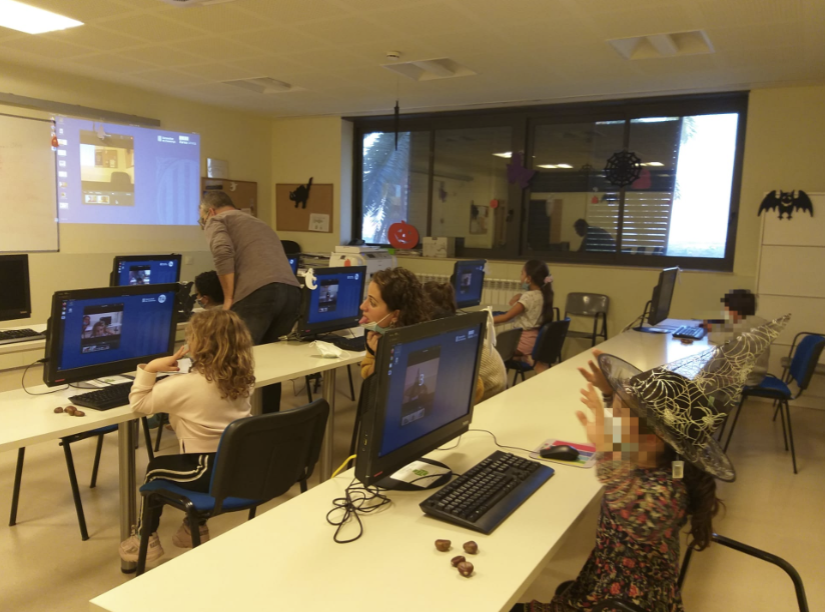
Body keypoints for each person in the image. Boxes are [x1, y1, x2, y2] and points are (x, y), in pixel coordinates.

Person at [512, 317, 786, 612]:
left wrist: (606, 450)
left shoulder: (665, 494)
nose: (610, 421)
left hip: (621, 603)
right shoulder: (659, 460)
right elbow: (632, 431)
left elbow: (635, 511)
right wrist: (609, 393)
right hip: (604, 585)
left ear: (654, 439)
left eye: (617, 417)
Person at [119, 309, 255, 564]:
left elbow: (139, 404)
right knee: (171, 467)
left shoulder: (183, 385)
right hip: (238, 465)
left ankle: (144, 539)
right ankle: (196, 527)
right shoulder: (244, 379)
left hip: (206, 469)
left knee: (156, 470)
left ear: (198, 345)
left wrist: (150, 369)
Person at [200, 190, 299, 412]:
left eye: (202, 217)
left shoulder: (217, 220)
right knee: (271, 364)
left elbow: (222, 251)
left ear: (211, 211)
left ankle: (226, 419)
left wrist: (228, 299)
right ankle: (268, 417)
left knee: (234, 360)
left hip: (259, 293)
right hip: (292, 293)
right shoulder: (258, 223)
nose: (204, 222)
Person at [424, 281, 507, 401]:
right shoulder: (455, 327)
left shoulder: (447, 336)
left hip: (489, 395)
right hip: (497, 388)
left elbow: (473, 387)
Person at [359, 267, 432, 380]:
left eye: (372, 303)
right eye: (366, 298)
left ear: (395, 315)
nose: (362, 306)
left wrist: (387, 355)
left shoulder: (420, 342)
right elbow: (368, 376)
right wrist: (380, 355)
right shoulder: (375, 333)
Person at [493, 260, 554, 368]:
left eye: (522, 273)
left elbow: (507, 317)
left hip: (522, 343)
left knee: (491, 349)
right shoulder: (543, 294)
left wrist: (486, 319)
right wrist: (520, 296)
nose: (520, 277)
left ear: (528, 279)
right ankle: (527, 358)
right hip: (534, 342)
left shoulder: (528, 297)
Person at [703, 289, 769, 386]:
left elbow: (714, 342)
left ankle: (708, 401)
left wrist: (709, 328)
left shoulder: (737, 325)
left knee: (695, 374)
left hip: (740, 378)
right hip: (757, 374)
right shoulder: (762, 322)